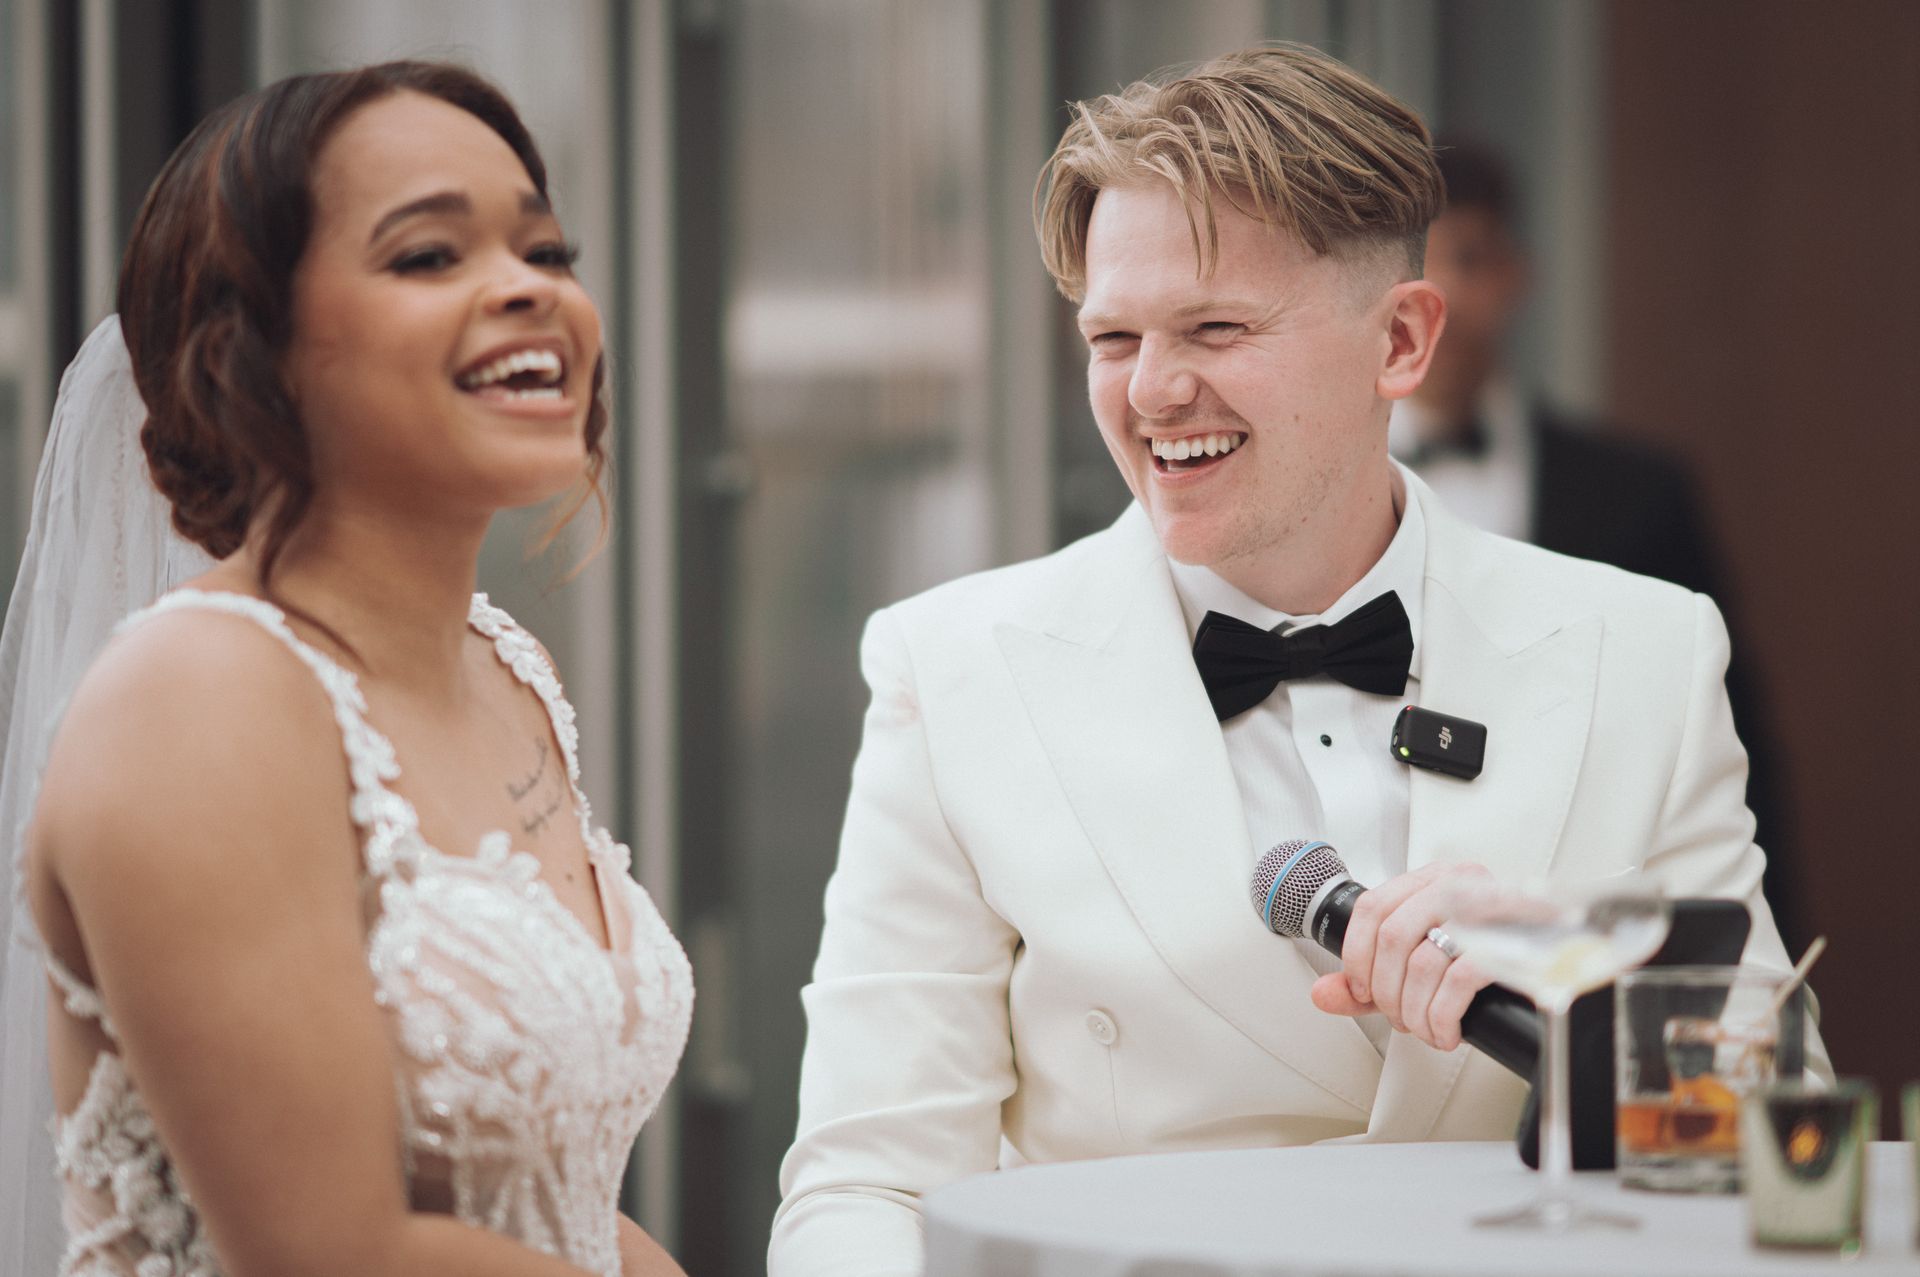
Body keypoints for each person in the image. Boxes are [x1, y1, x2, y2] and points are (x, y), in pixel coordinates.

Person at [770, 45, 1821, 1275]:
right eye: (1113, 338)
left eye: (1215, 326)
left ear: (1402, 341)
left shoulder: (1643, 650)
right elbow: (870, 1184)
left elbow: (1778, 1142)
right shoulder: (948, 673)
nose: (1154, 391)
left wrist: (1581, 983)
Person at [0, 62, 690, 1276]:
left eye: (546, 250)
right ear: (250, 353)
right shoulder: (195, 700)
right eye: (431, 256)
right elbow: (333, 1251)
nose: (527, 289)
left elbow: (546, 1206)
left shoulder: (502, 664)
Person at [1391, 138, 1804, 951]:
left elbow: (1730, 737)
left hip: (1593, 913)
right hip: (1390, 908)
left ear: (1516, 275)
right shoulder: (1321, 499)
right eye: (1418, 264)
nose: (1442, 292)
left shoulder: (1640, 495)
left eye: (1467, 259)